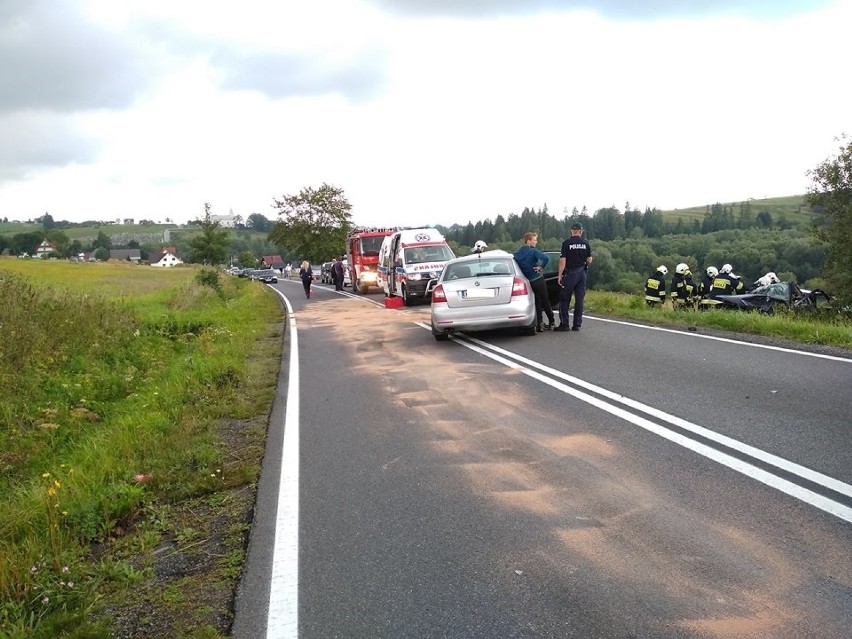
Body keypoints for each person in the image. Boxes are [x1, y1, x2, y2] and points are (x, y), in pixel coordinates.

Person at [513, 232, 556, 332]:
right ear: (528, 241)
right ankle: (552, 322)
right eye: (535, 240)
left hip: (528, 282)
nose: (536, 242)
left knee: (537, 301)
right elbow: (546, 258)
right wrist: (541, 267)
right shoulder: (533, 251)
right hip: (538, 279)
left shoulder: (517, 254)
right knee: (545, 301)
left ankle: (540, 324)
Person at [555, 223, 593, 332]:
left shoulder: (567, 243)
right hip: (582, 274)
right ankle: (577, 325)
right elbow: (589, 260)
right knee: (579, 300)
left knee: (564, 299)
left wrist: (559, 275)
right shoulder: (586, 243)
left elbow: (563, 261)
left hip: (570, 273)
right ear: (581, 231)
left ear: (572, 231)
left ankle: (564, 324)